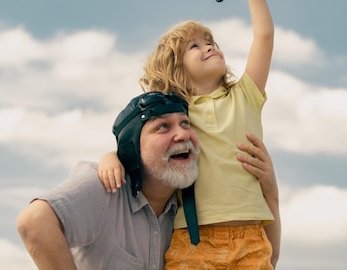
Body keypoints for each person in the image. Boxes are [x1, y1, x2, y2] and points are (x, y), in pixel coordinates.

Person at [99, 0, 280, 269]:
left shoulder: (245, 96)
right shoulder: (176, 115)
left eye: (210, 42)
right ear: (175, 68)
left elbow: (264, 36)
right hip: (193, 239)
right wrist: (110, 157)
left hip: (251, 238)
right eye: (194, 46)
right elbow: (138, 146)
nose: (209, 46)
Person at [16, 91, 279, 270]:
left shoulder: (187, 211)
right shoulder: (104, 186)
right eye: (162, 127)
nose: (181, 135)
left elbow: (266, 256)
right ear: (132, 148)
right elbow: (34, 222)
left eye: (186, 123)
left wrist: (270, 190)